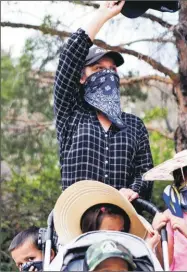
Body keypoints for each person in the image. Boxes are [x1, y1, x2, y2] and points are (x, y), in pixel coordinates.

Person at [53, 0, 153, 201]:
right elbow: (68, 60)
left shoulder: (135, 126)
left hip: (121, 224)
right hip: (75, 221)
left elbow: (146, 173)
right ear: (82, 78)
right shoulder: (71, 115)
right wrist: (103, 14)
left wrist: (134, 189)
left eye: (112, 70)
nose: (107, 75)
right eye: (98, 69)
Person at [53, 180, 160, 251]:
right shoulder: (78, 261)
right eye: (111, 233)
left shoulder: (127, 258)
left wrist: (148, 248)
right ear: (90, 237)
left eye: (122, 232)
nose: (119, 238)